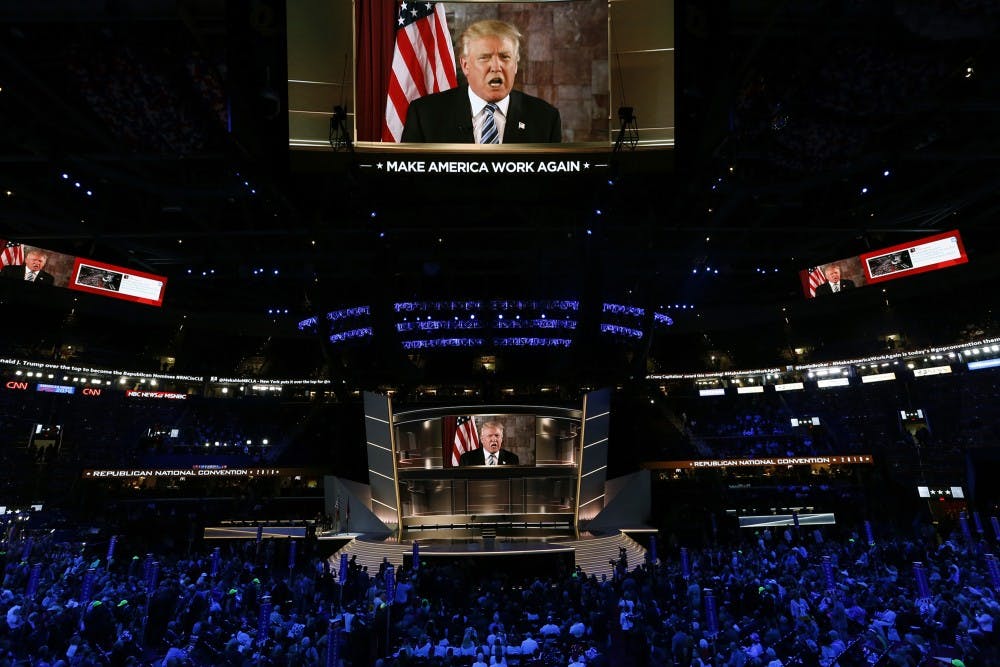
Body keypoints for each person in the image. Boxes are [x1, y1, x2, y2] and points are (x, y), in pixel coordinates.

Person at [401, 20, 561, 144]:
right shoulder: (425, 115)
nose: (496, 67)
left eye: (505, 57)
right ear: (465, 66)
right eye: (485, 57)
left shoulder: (545, 118)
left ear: (516, 65)